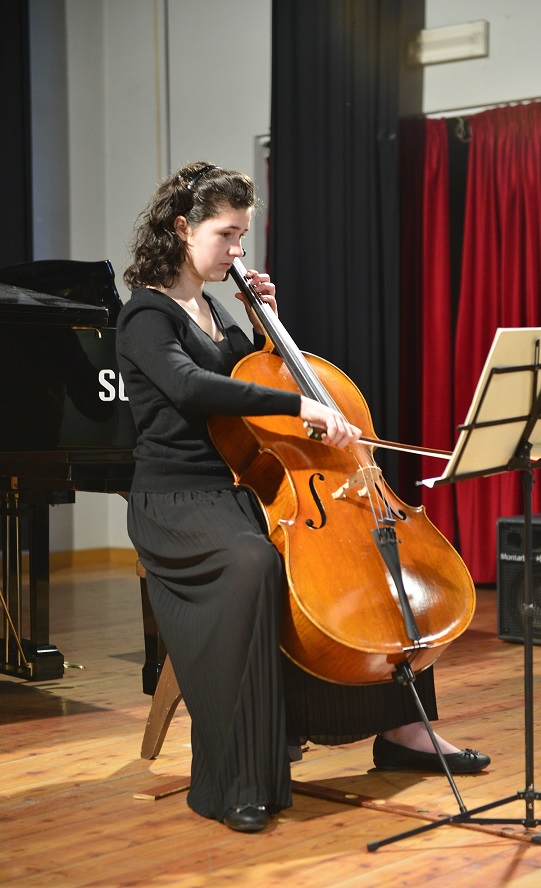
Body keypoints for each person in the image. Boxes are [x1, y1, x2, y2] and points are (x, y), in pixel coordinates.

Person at [116, 161, 490, 835]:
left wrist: (267, 324)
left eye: (242, 236)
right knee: (254, 565)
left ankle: (403, 731)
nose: (237, 251)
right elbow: (193, 388)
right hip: (177, 500)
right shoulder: (145, 313)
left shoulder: (216, 310)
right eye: (226, 235)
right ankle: (242, 773)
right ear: (182, 228)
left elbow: (257, 375)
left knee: (371, 556)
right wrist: (299, 406)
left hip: (242, 489)